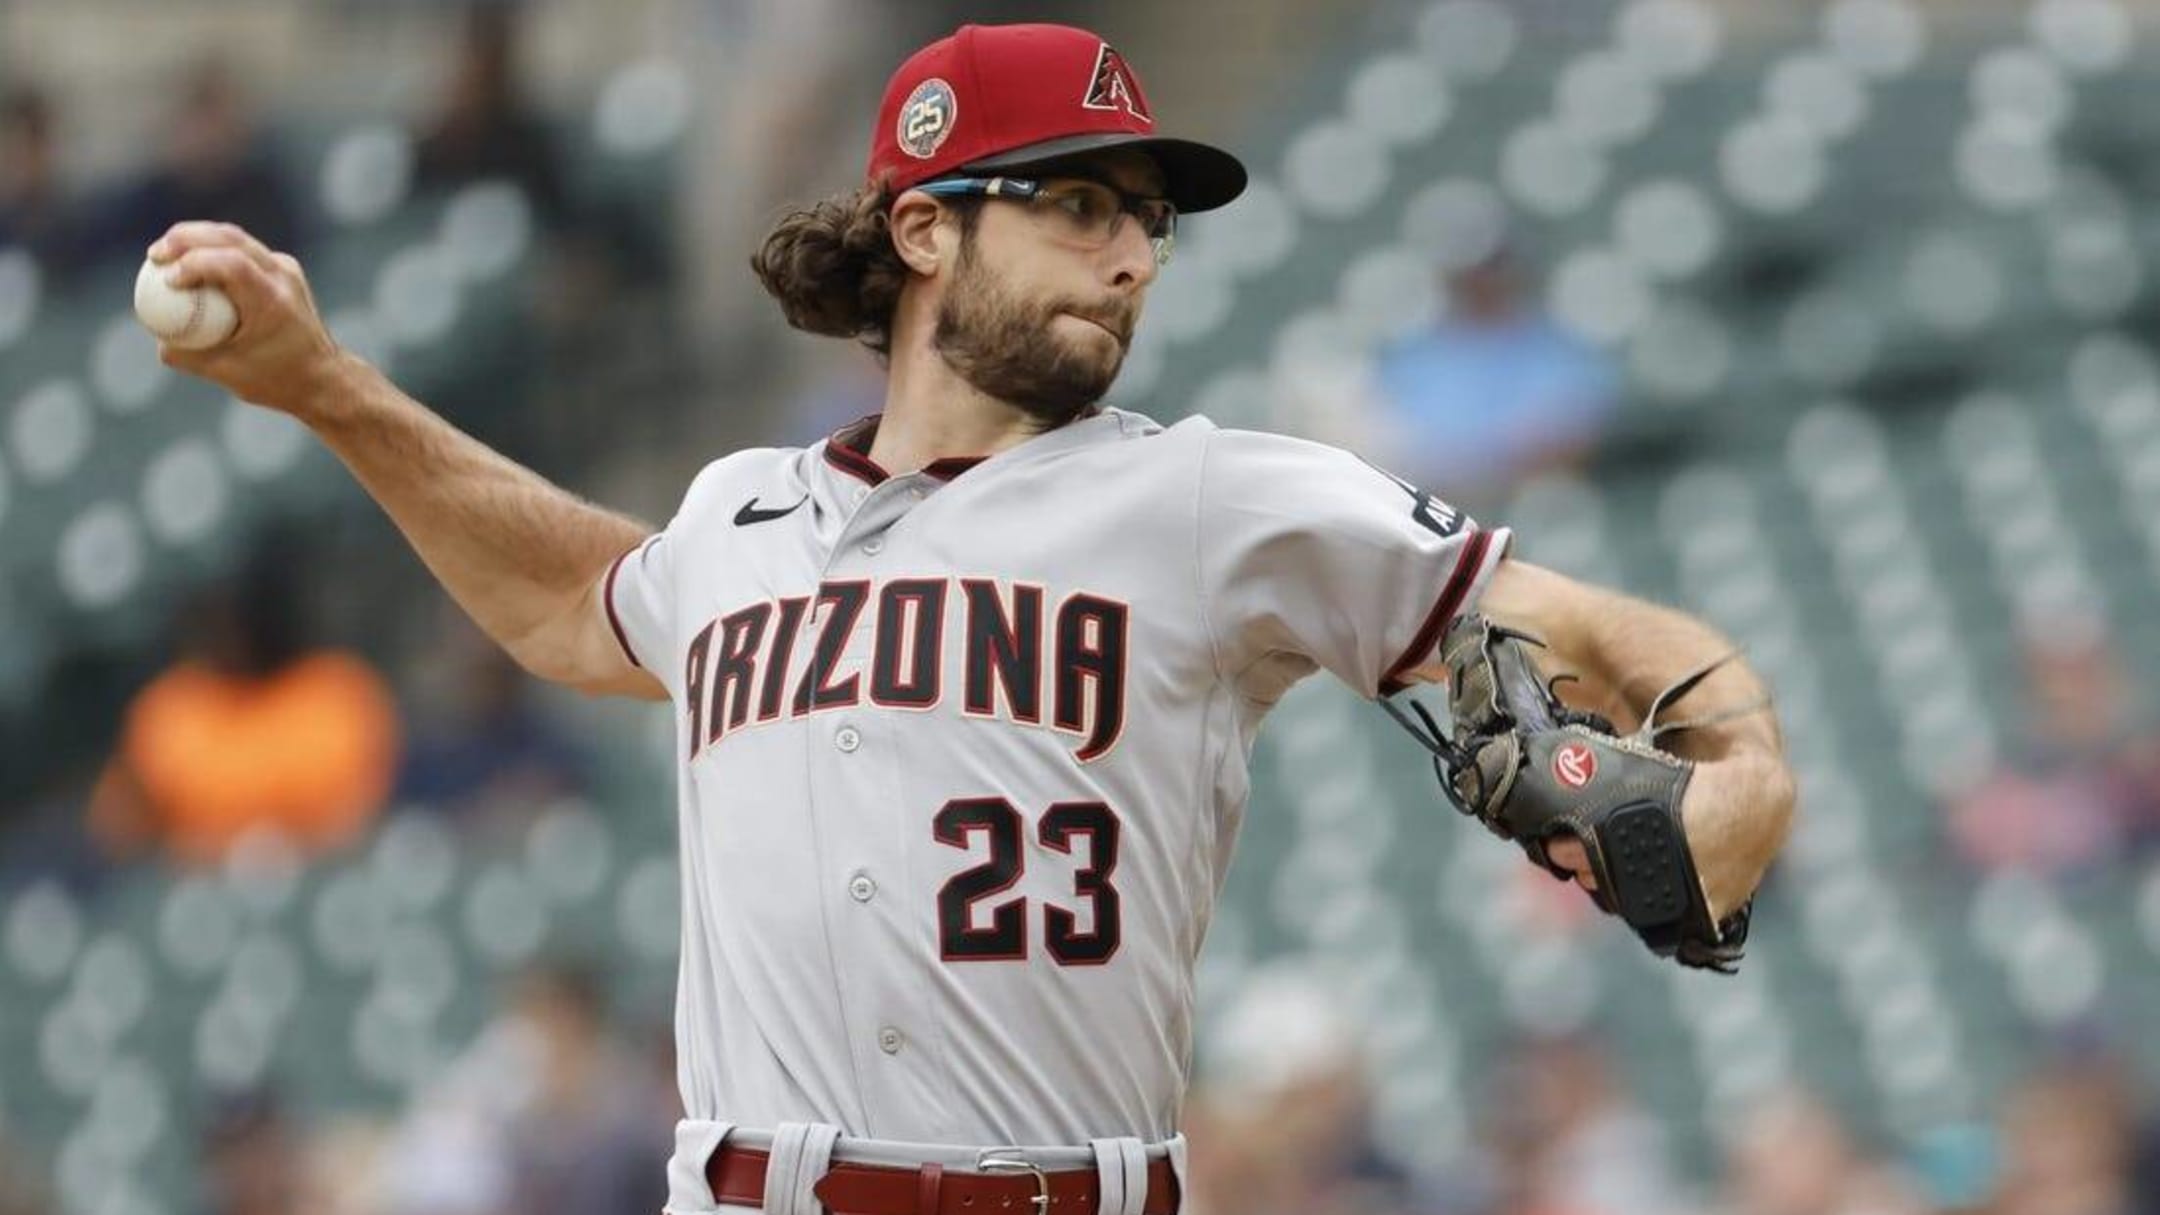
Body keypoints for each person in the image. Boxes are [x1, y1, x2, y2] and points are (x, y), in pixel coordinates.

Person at [143, 21, 1795, 1213]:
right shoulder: (739, 518)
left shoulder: (1214, 502)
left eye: (1147, 215)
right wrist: (330, 389)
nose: (1131, 252)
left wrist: (1747, 757)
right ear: (924, 226)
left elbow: (1582, 624)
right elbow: (578, 599)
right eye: (1076, 203)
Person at [88, 530, 401, 866]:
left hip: (322, 877)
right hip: (204, 890)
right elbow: (119, 826)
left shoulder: (336, 692)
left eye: (235, 625)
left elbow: (358, 815)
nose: (227, 638)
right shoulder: (173, 706)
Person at [1371, 248, 1619, 507]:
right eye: (1472, 271)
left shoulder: (1555, 346)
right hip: (1442, 504)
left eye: (1491, 267)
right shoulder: (1417, 355)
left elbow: (1571, 437)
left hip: (1533, 501)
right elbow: (1398, 446)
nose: (1481, 280)